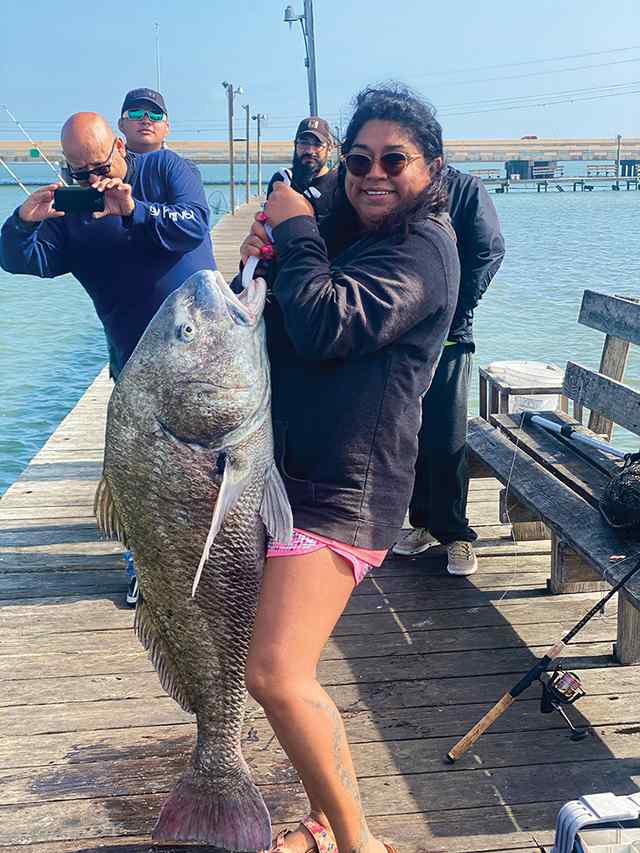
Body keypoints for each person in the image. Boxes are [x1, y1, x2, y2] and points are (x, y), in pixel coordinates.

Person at [239, 85, 460, 853]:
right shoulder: (349, 233)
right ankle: (334, 820)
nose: (372, 173)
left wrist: (297, 233)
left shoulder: (424, 248)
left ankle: (359, 841)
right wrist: (271, 255)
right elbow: (293, 321)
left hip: (347, 491)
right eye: (358, 159)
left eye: (393, 161)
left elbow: (330, 321)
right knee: (285, 671)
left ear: (431, 168)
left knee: (273, 672)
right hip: (293, 473)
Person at [0, 112, 216, 606]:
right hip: (135, 370)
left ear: (121, 146)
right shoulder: (69, 221)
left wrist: (134, 209)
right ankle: (145, 567)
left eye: (100, 166)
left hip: (204, 363)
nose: (94, 181)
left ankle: (218, 568)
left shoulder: (163, 169)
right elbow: (18, 259)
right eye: (80, 174)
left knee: (210, 473)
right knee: (141, 479)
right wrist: (21, 223)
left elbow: (194, 226)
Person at [392, 166, 505, 574]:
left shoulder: (466, 189)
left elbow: (490, 250)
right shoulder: (402, 187)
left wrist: (454, 305)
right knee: (411, 434)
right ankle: (423, 523)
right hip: (403, 333)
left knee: (448, 436)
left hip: (452, 336)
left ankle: (457, 534)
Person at [267, 117, 339, 218]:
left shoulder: (340, 184)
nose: (310, 151)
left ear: (329, 148)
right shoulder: (282, 180)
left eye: (318, 144)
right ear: (295, 145)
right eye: (304, 143)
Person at [118, 87, 170, 154]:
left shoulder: (181, 164)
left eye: (155, 115)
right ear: (121, 124)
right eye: (136, 114)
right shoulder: (109, 163)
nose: (146, 121)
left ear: (167, 127)